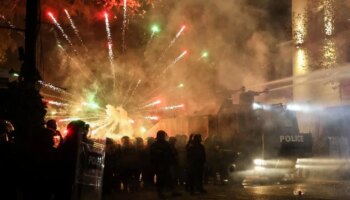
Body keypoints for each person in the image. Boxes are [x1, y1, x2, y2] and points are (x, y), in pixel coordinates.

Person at [150, 130, 173, 198]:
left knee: (164, 178)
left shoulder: (164, 144)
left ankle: (162, 192)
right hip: (159, 164)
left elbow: (169, 153)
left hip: (164, 164)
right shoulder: (156, 145)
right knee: (160, 179)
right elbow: (153, 154)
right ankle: (160, 193)